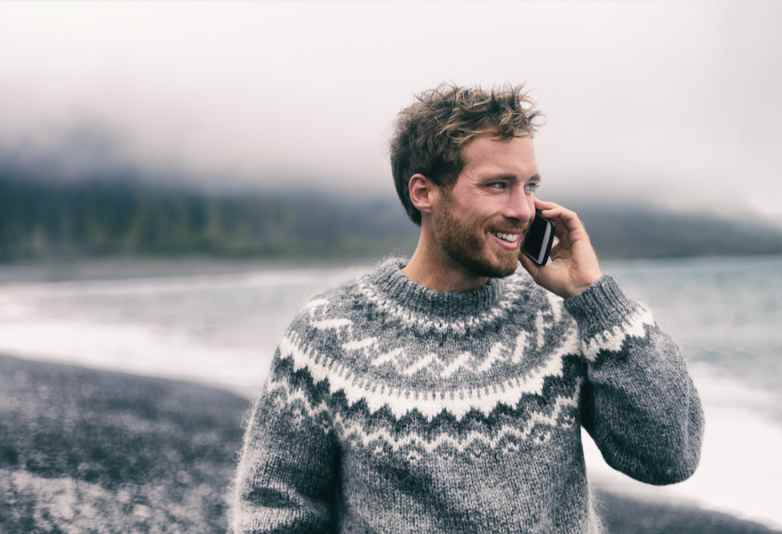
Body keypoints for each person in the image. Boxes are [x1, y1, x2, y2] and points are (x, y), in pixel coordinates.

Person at [230, 83, 705, 533]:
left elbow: (669, 456)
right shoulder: (328, 335)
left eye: (529, 185)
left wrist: (595, 299)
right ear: (424, 192)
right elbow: (273, 511)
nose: (523, 210)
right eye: (498, 185)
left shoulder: (560, 321)